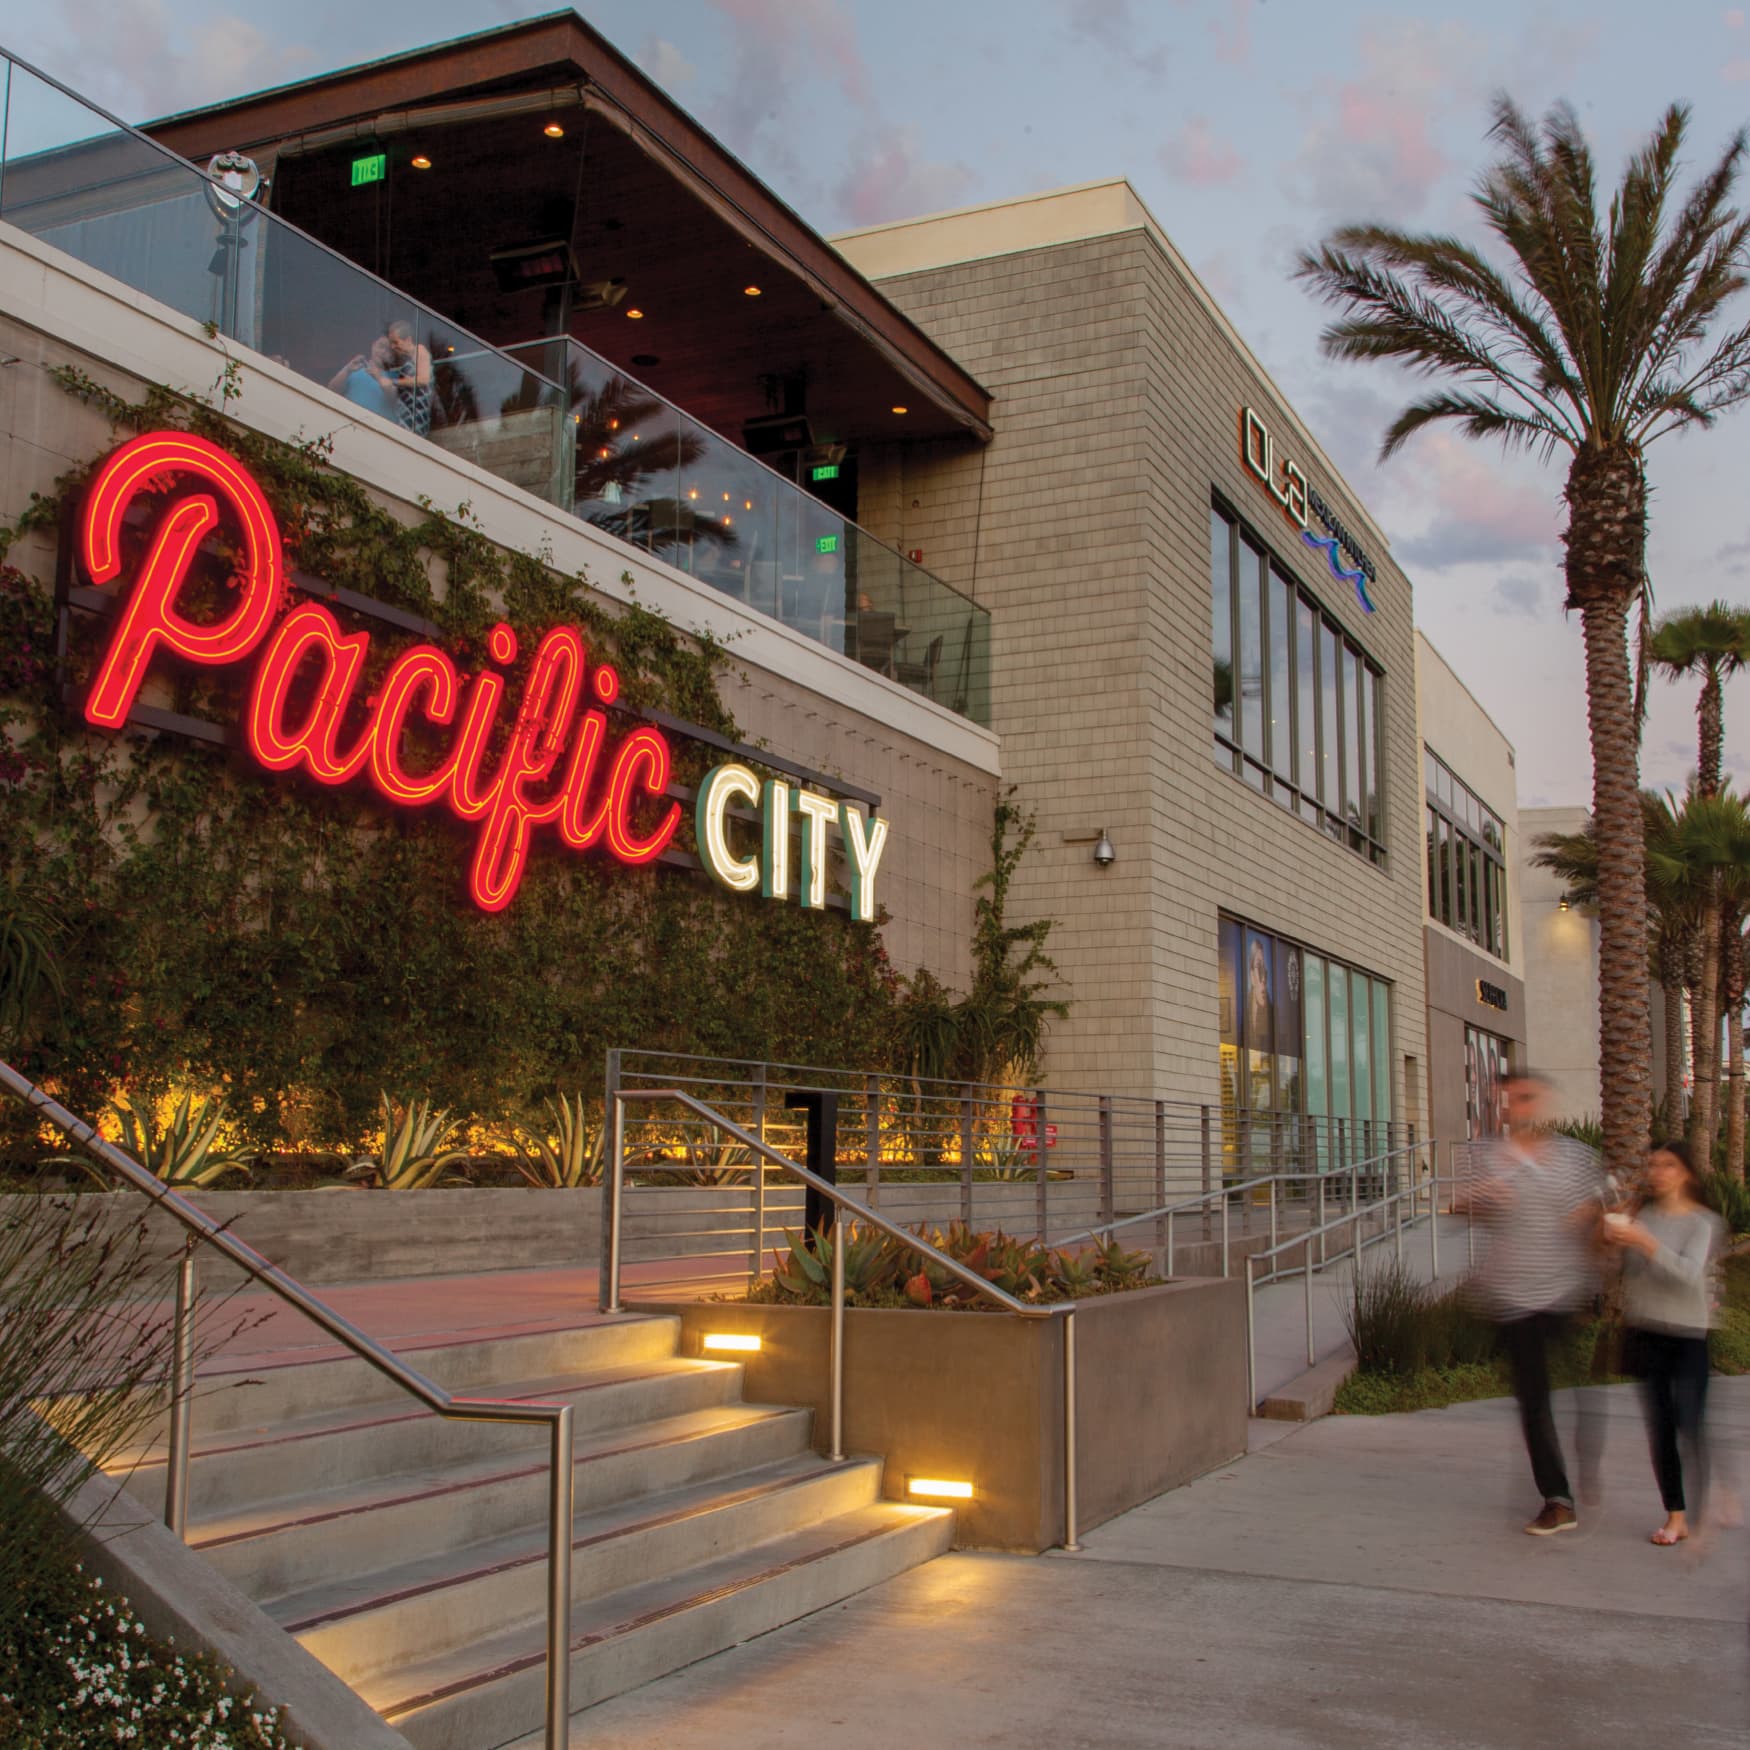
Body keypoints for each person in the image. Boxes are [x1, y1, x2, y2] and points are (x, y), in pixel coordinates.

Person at [1465, 1070, 1604, 1535]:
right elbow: (1463, 1208)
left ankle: (1585, 1465)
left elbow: (1600, 1213)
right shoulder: (1488, 1158)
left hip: (1564, 1291)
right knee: (1534, 1402)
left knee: (1581, 1395)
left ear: (1541, 1103)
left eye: (1524, 1099)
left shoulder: (1573, 1158)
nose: (1515, 1108)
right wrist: (1474, 1202)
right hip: (1512, 1298)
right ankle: (1558, 1498)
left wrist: (1589, 1218)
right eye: (1508, 1100)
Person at [1602, 1140, 1725, 1545]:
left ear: (1685, 1173)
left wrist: (1646, 1243)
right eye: (1652, 1164)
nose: (1657, 1172)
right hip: (1645, 1332)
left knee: (1689, 1424)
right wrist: (1614, 1242)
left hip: (1688, 1335)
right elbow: (1631, 1274)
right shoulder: (1643, 1216)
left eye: (1667, 1165)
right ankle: (1676, 1515)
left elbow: (1688, 1274)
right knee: (1661, 1429)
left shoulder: (1701, 1222)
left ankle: (1708, 1497)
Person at [382, 319, 434, 436]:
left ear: (408, 340)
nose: (392, 346)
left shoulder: (419, 351)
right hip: (405, 416)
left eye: (396, 342)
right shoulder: (405, 361)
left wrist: (393, 381)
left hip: (417, 416)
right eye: (391, 343)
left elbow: (423, 379)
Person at [327, 335, 396, 416]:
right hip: (349, 420)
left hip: (377, 427)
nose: (383, 351)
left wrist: (379, 378)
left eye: (389, 350)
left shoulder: (395, 376)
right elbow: (331, 390)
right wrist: (347, 370)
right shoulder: (354, 368)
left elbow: (396, 400)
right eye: (381, 346)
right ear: (373, 345)